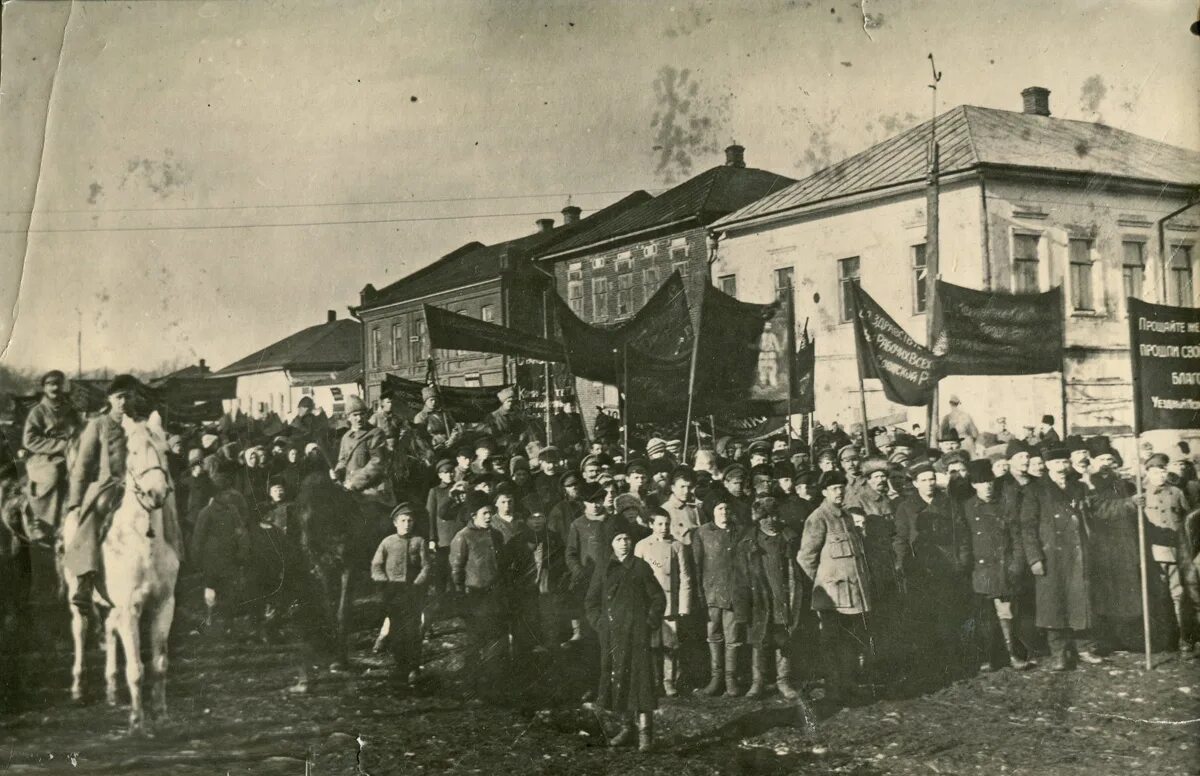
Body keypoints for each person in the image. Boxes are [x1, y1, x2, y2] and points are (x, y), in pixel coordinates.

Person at [585, 528, 665, 752]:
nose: (623, 543)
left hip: (637, 635)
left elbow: (658, 597)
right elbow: (591, 602)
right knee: (618, 681)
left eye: (627, 538)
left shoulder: (640, 567)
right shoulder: (603, 568)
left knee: (641, 682)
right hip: (612, 637)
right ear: (611, 543)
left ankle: (645, 734)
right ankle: (627, 728)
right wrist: (600, 624)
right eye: (618, 539)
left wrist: (649, 622)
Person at [797, 470, 874, 703]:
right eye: (834, 489)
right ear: (824, 492)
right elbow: (806, 558)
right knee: (832, 643)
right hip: (833, 597)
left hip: (854, 594)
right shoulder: (818, 518)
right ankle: (834, 690)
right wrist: (823, 584)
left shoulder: (847, 516)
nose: (839, 492)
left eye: (841, 487)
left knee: (851, 641)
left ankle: (849, 685)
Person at [1020, 446, 1100, 670]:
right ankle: (1059, 652)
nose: (1062, 467)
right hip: (1050, 555)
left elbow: (1092, 513)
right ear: (1047, 465)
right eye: (1056, 463)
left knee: (1080, 600)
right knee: (1053, 604)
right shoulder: (1035, 490)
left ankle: (1084, 647)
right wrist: (1034, 558)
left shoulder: (1079, 487)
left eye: (1065, 462)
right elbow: (1027, 527)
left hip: (1077, 553)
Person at [64, 374, 139, 607]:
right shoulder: (99, 424)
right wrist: (75, 503)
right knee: (94, 516)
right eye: (119, 397)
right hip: (110, 485)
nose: (124, 402)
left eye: (128, 397)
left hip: (139, 486)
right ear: (110, 399)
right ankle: (85, 579)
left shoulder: (142, 424)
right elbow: (83, 466)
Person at [893, 461, 972, 681]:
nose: (929, 483)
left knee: (950, 617)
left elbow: (962, 534)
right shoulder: (906, 507)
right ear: (915, 483)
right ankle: (931, 667)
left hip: (947, 567)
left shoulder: (948, 503)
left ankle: (954, 664)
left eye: (932, 479)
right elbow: (901, 538)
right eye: (924, 480)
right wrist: (902, 564)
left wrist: (962, 561)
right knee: (925, 618)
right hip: (920, 570)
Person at [962, 460, 1030, 671]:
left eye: (990, 482)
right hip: (980, 568)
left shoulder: (1005, 505)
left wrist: (1017, 563)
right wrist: (966, 564)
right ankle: (990, 657)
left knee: (1006, 612)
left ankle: (1013, 654)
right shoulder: (967, 508)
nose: (988, 486)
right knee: (985, 616)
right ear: (974, 485)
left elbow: (1017, 537)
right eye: (982, 483)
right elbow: (964, 539)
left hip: (1003, 566)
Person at [734, 497, 803, 699]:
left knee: (784, 639)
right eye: (765, 516)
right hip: (759, 599)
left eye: (774, 515)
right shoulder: (749, 542)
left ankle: (784, 680)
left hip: (782, 597)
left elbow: (795, 572)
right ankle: (758, 682)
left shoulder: (788, 538)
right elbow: (740, 577)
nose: (771, 520)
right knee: (759, 640)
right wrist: (742, 608)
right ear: (758, 519)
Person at [449, 492, 507, 699]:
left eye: (491, 512)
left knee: (496, 639)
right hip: (474, 596)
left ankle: (493, 685)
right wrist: (460, 595)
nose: (489, 516)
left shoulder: (496, 535)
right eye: (485, 513)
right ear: (473, 515)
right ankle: (471, 684)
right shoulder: (463, 537)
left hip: (495, 596)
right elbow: (456, 569)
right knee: (475, 640)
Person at [1143, 453, 1200, 653]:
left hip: (1177, 552)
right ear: (1147, 473)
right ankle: (1162, 638)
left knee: (1179, 595)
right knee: (1157, 596)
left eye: (1163, 471)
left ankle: (1183, 637)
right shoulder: (1141, 494)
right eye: (1155, 472)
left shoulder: (1176, 492)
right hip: (1153, 553)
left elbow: (1189, 520)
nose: (1160, 475)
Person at [634, 509, 693, 697]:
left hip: (670, 603)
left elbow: (685, 577)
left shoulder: (677, 546)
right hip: (649, 604)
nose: (664, 528)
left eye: (667, 524)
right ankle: (654, 681)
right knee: (652, 644)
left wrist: (683, 606)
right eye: (659, 524)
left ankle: (670, 681)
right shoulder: (642, 546)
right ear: (651, 525)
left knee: (671, 644)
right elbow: (635, 578)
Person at [371, 503, 430, 687]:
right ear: (395, 523)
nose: (406, 524)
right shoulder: (387, 542)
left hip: (413, 592)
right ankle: (400, 667)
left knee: (413, 631)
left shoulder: (419, 541)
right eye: (403, 521)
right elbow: (376, 565)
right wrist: (384, 583)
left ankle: (414, 668)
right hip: (393, 592)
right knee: (396, 631)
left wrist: (418, 583)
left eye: (410, 521)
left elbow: (426, 566)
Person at [191, 458, 252, 633]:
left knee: (223, 589)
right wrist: (197, 559)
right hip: (216, 557)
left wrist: (242, 551)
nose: (227, 497)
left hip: (223, 557)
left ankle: (224, 622)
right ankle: (216, 619)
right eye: (223, 494)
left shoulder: (226, 511)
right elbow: (198, 539)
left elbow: (240, 532)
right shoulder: (211, 512)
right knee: (216, 589)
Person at [21, 369, 82, 543]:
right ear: (44, 388)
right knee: (54, 473)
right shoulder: (38, 412)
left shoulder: (70, 410)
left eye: (58, 384)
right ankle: (38, 520)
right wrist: (60, 445)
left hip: (72, 452)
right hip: (43, 457)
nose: (55, 388)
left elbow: (81, 429)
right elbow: (29, 440)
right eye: (50, 384)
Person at [692, 492, 742, 696]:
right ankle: (716, 679)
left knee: (733, 637)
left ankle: (731, 680)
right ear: (712, 512)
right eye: (720, 508)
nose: (724, 512)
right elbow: (697, 565)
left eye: (727, 508)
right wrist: (699, 592)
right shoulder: (702, 532)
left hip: (733, 594)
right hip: (711, 592)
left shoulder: (739, 531)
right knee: (713, 635)